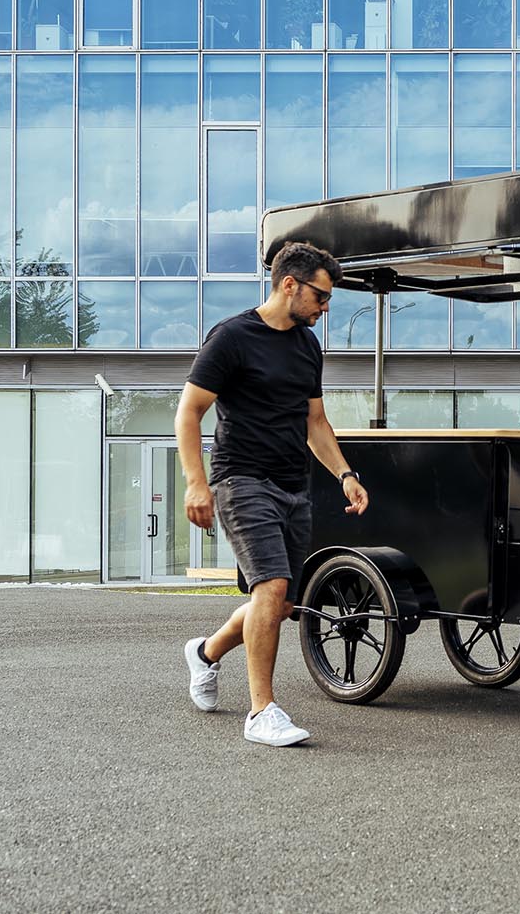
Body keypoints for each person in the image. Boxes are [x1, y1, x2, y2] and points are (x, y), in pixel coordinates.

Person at [176, 242, 370, 746]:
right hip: (241, 479)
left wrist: (345, 474)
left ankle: (205, 653)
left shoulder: (308, 347)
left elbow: (316, 422)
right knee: (273, 586)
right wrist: (197, 482)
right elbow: (189, 411)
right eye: (321, 298)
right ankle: (262, 711)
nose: (326, 309)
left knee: (280, 602)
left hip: (292, 485)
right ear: (290, 284)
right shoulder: (233, 338)